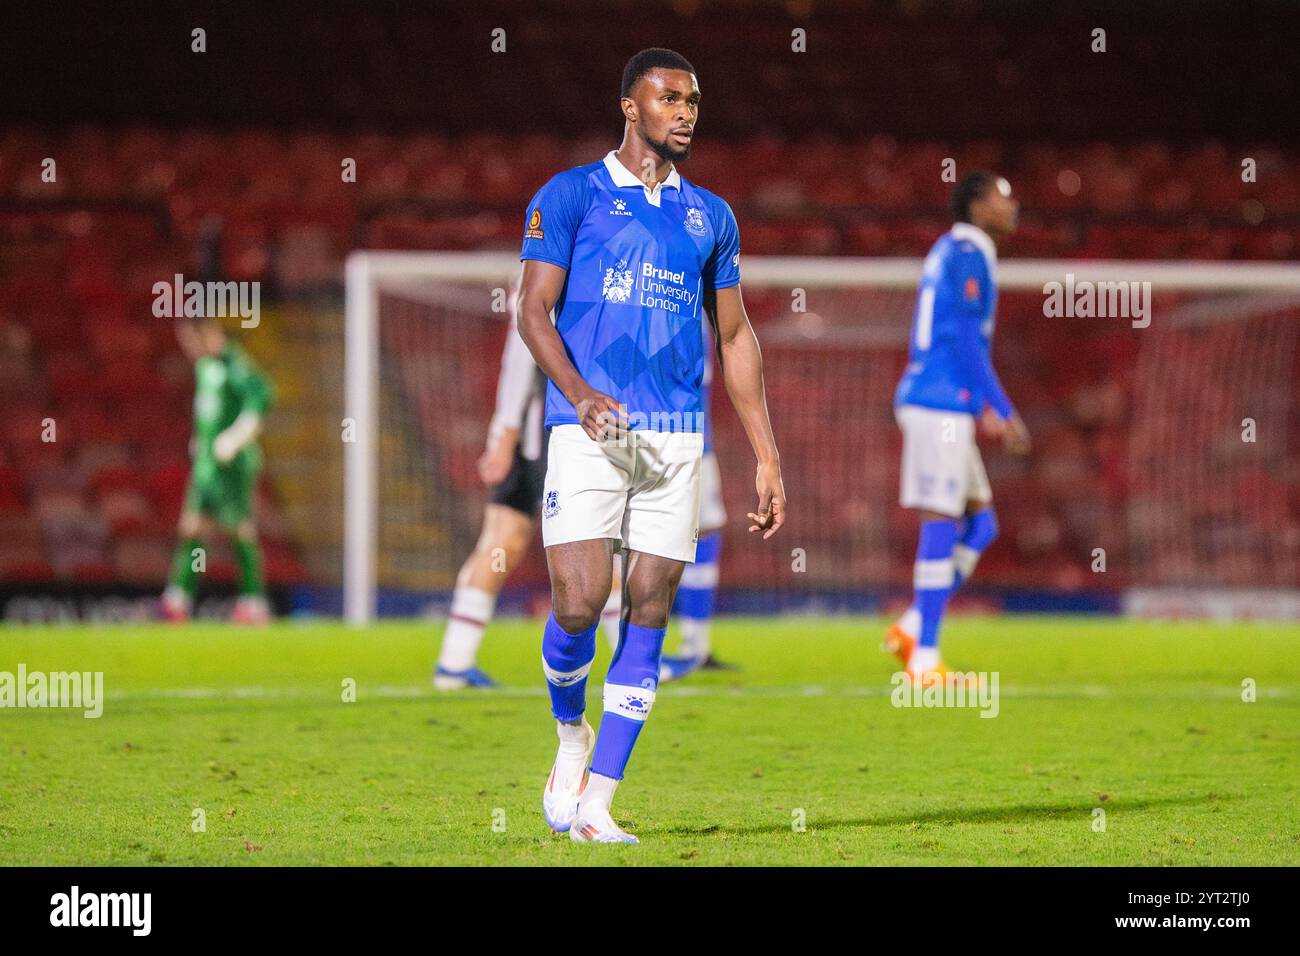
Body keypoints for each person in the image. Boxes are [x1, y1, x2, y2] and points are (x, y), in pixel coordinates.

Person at [516, 48, 785, 843]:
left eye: (694, 100)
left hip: (675, 440)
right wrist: (580, 393)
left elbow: (736, 337)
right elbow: (533, 311)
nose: (686, 111)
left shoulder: (712, 218)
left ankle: (598, 802)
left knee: (649, 605)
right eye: (670, 97)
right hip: (589, 429)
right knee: (577, 603)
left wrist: (767, 454)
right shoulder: (571, 195)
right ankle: (572, 734)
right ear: (630, 108)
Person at [886, 171, 1030, 683]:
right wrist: (1003, 409)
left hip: (949, 400)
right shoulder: (969, 252)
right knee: (941, 520)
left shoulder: (958, 250)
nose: (1013, 206)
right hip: (937, 402)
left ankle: (909, 627)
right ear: (975, 205)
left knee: (982, 523)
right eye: (1002, 197)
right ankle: (924, 660)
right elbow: (966, 340)